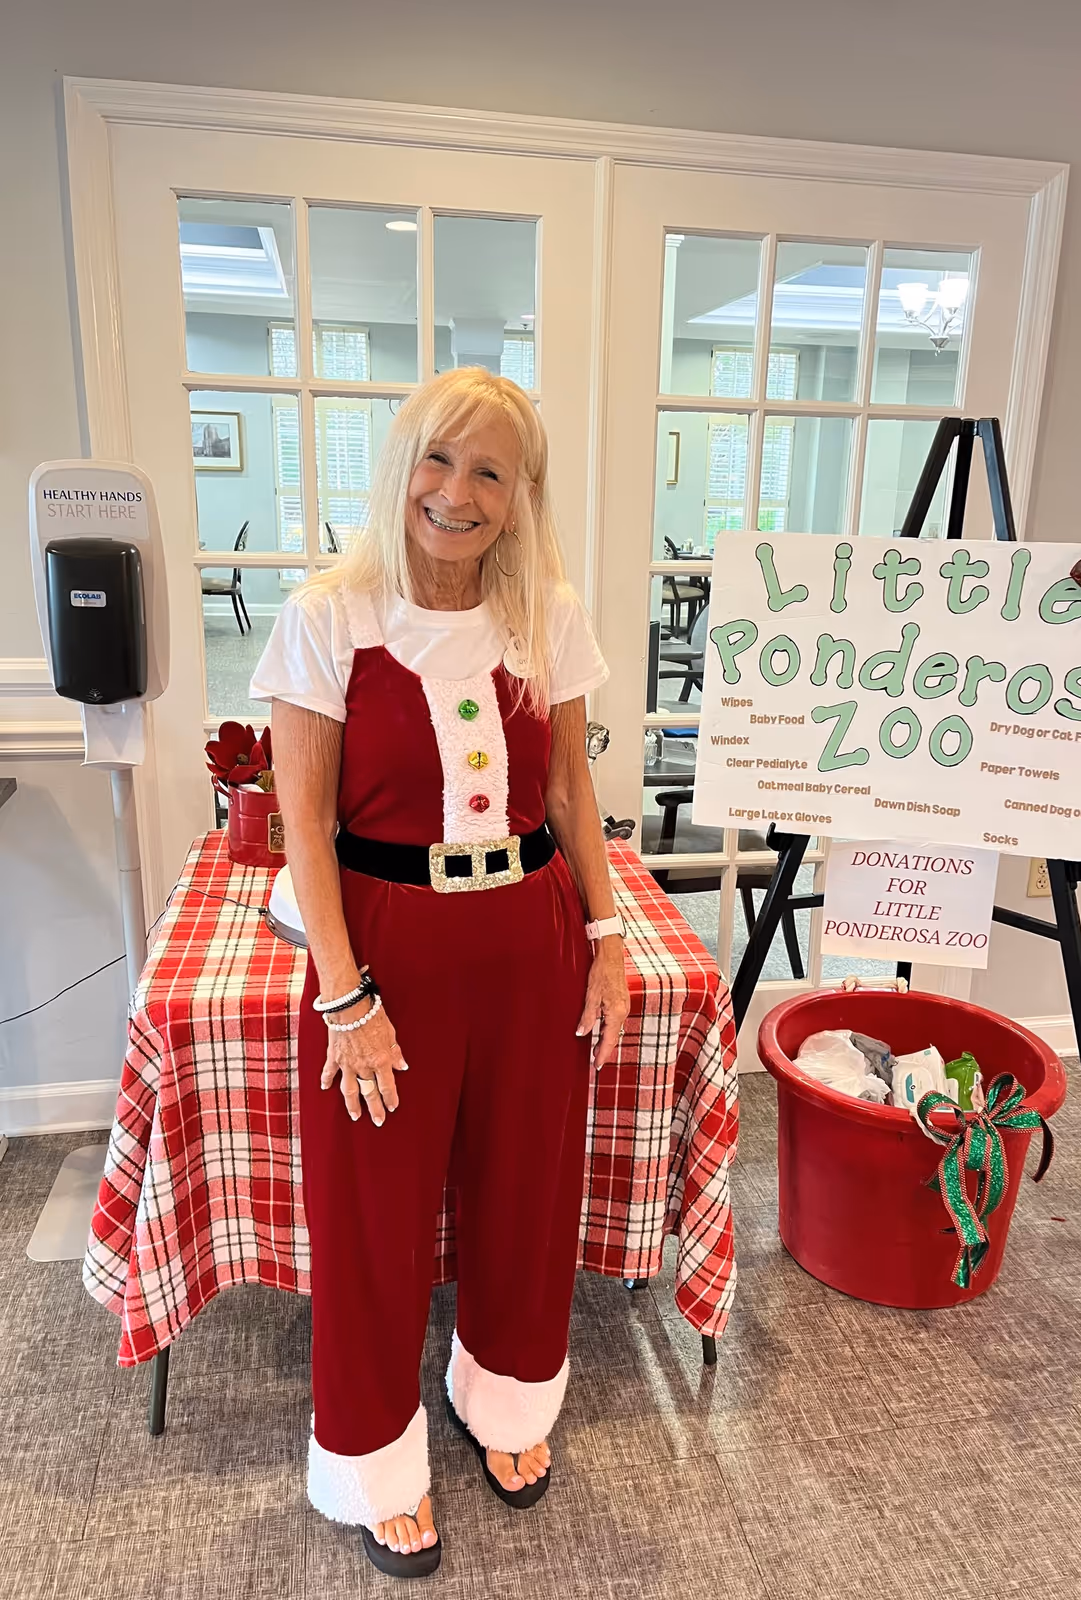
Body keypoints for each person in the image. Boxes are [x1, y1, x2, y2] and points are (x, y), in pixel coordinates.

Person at [249, 367, 630, 1579]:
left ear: (519, 499)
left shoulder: (545, 613)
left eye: (488, 473)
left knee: (527, 1186)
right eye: (437, 460)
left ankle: (505, 1402)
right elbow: (302, 826)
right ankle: (372, 1461)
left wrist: (609, 939)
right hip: (386, 947)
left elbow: (570, 792)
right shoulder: (328, 614)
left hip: (529, 934)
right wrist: (346, 998)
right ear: (400, 464)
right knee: (374, 1215)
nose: (455, 494)